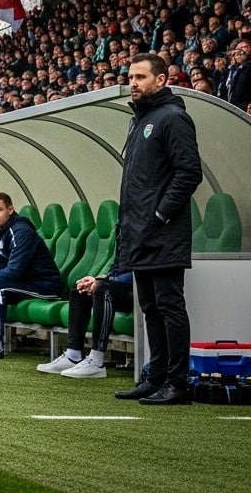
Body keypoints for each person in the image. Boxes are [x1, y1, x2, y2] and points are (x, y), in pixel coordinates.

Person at [114, 53, 202, 404]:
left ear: (161, 80)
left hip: (163, 232)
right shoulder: (140, 120)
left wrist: (161, 215)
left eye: (140, 77)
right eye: (130, 77)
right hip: (140, 233)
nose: (132, 83)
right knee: (149, 307)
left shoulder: (173, 118)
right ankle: (157, 375)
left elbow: (189, 172)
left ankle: (178, 384)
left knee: (169, 306)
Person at [0, 192, 61, 360]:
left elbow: (14, 270)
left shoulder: (21, 231)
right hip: (22, 283)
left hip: (44, 285)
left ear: (10, 209)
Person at [36, 243, 133, 379]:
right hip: (120, 284)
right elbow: (118, 266)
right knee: (80, 289)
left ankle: (97, 361)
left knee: (102, 288)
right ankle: (73, 355)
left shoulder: (140, 225)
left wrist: (105, 280)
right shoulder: (123, 225)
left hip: (139, 287)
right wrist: (100, 278)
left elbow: (140, 269)